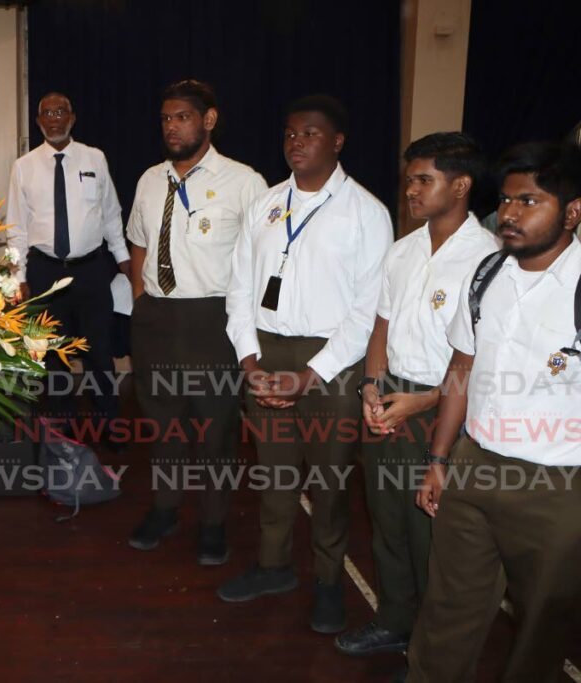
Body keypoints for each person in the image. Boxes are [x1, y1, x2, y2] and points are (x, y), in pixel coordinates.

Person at [218, 95, 393, 634]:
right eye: (290, 133)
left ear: (336, 142)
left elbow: (369, 309)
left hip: (332, 363)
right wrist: (250, 360)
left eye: (310, 134)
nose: (296, 142)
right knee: (273, 473)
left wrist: (311, 373)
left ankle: (327, 581)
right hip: (267, 352)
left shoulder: (367, 212)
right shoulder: (267, 204)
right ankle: (273, 567)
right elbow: (240, 286)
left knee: (330, 479)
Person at [409, 141, 581, 682]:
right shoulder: (487, 275)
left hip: (557, 487)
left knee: (541, 625)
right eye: (506, 201)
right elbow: (462, 367)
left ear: (573, 211)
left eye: (530, 202)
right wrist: (439, 457)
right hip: (473, 466)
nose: (509, 214)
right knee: (449, 608)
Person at [334, 133, 498, 658]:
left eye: (424, 179)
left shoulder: (489, 259)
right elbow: (380, 325)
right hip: (390, 399)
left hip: (443, 406)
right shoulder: (403, 250)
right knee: (387, 522)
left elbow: (475, 361)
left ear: (462, 185)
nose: (411, 189)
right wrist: (371, 387)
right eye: (408, 179)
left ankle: (429, 649)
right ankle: (394, 620)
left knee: (434, 537)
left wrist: (420, 403)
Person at [125, 80, 267, 565]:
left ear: (208, 120)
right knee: (162, 427)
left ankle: (213, 522)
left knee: (216, 431)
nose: (171, 126)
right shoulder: (149, 179)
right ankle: (165, 510)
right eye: (165, 118)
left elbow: (261, 258)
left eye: (182, 116)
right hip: (156, 321)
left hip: (212, 320)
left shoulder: (244, 182)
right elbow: (138, 243)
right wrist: (144, 300)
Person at [5, 93, 129, 442]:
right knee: (53, 357)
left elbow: (111, 213)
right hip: (45, 271)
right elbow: (16, 226)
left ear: (72, 118)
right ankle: (65, 432)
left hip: (91, 270)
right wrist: (20, 276)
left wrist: (123, 261)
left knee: (100, 353)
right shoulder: (23, 167)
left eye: (60, 112)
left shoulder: (95, 158)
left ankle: (110, 427)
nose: (54, 118)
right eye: (47, 113)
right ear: (39, 121)